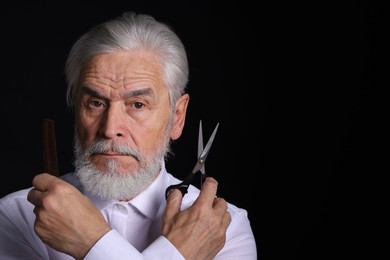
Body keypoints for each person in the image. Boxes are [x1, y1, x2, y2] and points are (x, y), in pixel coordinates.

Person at [0, 11, 257, 259]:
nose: (110, 128)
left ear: (177, 117)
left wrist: (90, 243)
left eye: (137, 105)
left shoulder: (223, 229)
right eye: (96, 103)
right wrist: (178, 255)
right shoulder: (16, 216)